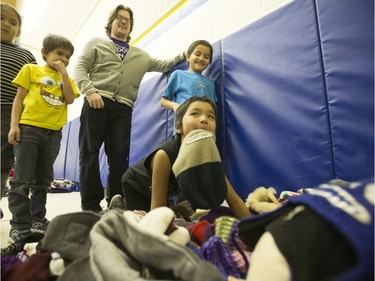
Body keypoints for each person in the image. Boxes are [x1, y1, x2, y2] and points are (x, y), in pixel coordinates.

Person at [74, 4, 186, 212]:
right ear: (111, 23)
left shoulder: (140, 56)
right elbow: (80, 68)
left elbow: (163, 65)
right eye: (119, 18)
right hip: (96, 102)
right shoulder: (96, 43)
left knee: (118, 156)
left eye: (128, 20)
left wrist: (183, 54)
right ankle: (90, 205)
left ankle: (116, 200)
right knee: (88, 153)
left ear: (131, 26)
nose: (124, 21)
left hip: (123, 109)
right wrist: (89, 91)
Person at [117, 96, 251, 220]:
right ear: (178, 127)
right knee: (141, 220)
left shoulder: (208, 155)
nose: (204, 119)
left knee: (174, 214)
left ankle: (176, 209)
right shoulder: (164, 156)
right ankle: (117, 208)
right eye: (195, 114)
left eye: (211, 116)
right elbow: (157, 211)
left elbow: (235, 201)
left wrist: (255, 228)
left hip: (169, 190)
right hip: (136, 185)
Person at [7, 34, 79, 242]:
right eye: (59, 54)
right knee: (22, 179)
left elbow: (70, 98)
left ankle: (38, 218)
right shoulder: (31, 70)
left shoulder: (68, 79)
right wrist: (14, 126)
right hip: (29, 129)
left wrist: (64, 74)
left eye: (67, 57)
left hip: (53, 134)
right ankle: (20, 223)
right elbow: (18, 99)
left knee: (43, 180)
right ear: (45, 53)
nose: (63, 59)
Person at [1, 3, 37, 218]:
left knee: (3, 161)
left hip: (9, 113)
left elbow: (35, 87)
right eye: (1, 18)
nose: (5, 23)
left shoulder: (25, 57)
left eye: (12, 22)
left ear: (19, 31)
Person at [160, 39, 217, 112]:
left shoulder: (210, 82)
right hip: (185, 119)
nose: (201, 58)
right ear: (188, 57)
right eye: (197, 54)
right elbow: (163, 101)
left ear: (209, 62)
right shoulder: (178, 75)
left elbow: (213, 107)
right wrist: (174, 105)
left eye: (206, 57)